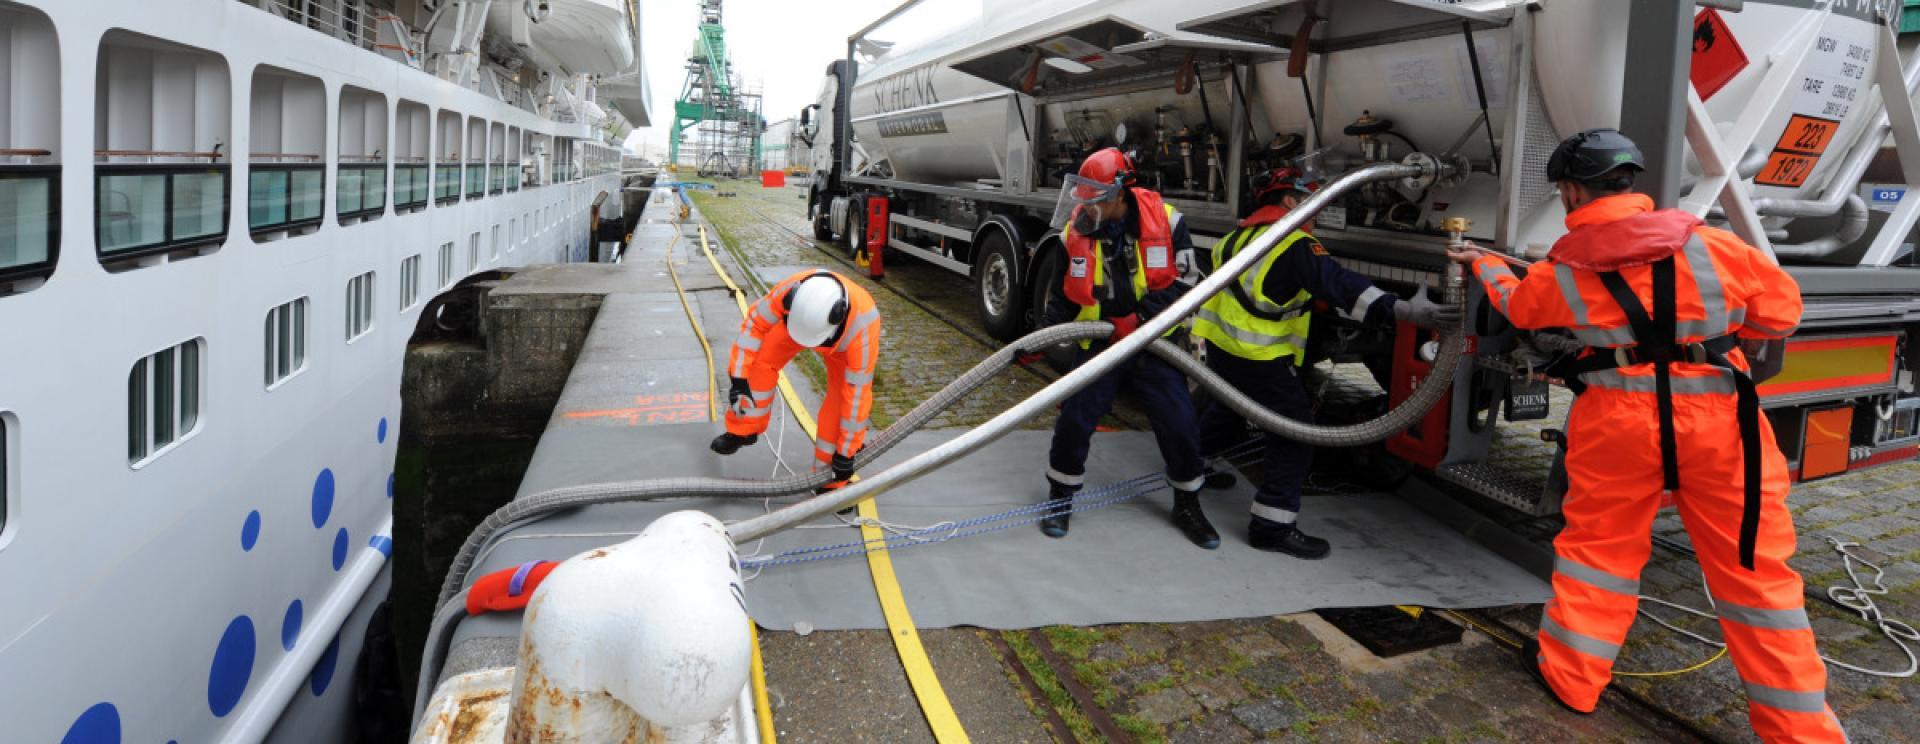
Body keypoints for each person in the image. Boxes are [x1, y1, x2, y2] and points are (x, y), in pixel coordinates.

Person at [1449, 128, 1843, 742]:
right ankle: (1801, 732)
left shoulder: (1564, 268)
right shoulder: (1715, 246)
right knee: (1756, 574)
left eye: (1564, 191)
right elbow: (1783, 313)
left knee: (1600, 554)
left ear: (1575, 190)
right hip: (1722, 426)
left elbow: (1521, 309)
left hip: (1618, 424)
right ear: (1628, 184)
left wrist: (1488, 265)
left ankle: (1572, 678)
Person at [1192, 164, 1459, 559]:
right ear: (1288, 203)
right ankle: (1272, 524)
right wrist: (1402, 309)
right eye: (1309, 202)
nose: (1314, 213)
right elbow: (1339, 283)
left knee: (1228, 407)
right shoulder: (1292, 243)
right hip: (1259, 354)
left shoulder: (1235, 236)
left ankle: (1191, 466)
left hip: (1221, 347)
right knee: (1296, 431)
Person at [1037, 147, 1217, 548]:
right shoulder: (1075, 232)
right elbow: (1066, 295)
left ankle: (1188, 503)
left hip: (1154, 342)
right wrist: (1042, 334)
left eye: (1097, 199)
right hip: (1100, 344)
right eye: (1084, 197)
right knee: (1075, 420)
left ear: (1121, 194)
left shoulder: (1168, 223)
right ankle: (1060, 498)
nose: (1088, 208)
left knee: (1180, 422)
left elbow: (1186, 283)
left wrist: (1139, 319)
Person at [711, 270, 881, 493]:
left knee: (840, 402)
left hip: (842, 347)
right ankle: (743, 429)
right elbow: (754, 326)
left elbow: (856, 398)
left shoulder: (863, 330)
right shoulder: (790, 291)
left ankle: (830, 480)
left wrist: (846, 453)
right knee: (757, 361)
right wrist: (739, 378)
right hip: (794, 327)